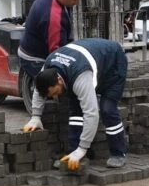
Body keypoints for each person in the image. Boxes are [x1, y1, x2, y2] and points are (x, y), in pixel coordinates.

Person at [23, 38, 127, 170]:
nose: (54, 97)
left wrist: (82, 148)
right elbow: (39, 90)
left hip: (113, 63)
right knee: (75, 109)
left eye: (54, 92)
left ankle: (118, 153)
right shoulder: (48, 66)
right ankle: (73, 151)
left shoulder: (80, 76)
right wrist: (35, 116)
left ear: (59, 80)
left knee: (107, 108)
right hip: (88, 58)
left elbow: (91, 113)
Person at [18, 0, 84, 77]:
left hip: (37, 47)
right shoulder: (53, 17)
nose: (77, 3)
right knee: (59, 85)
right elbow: (57, 54)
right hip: (35, 59)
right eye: (74, 0)